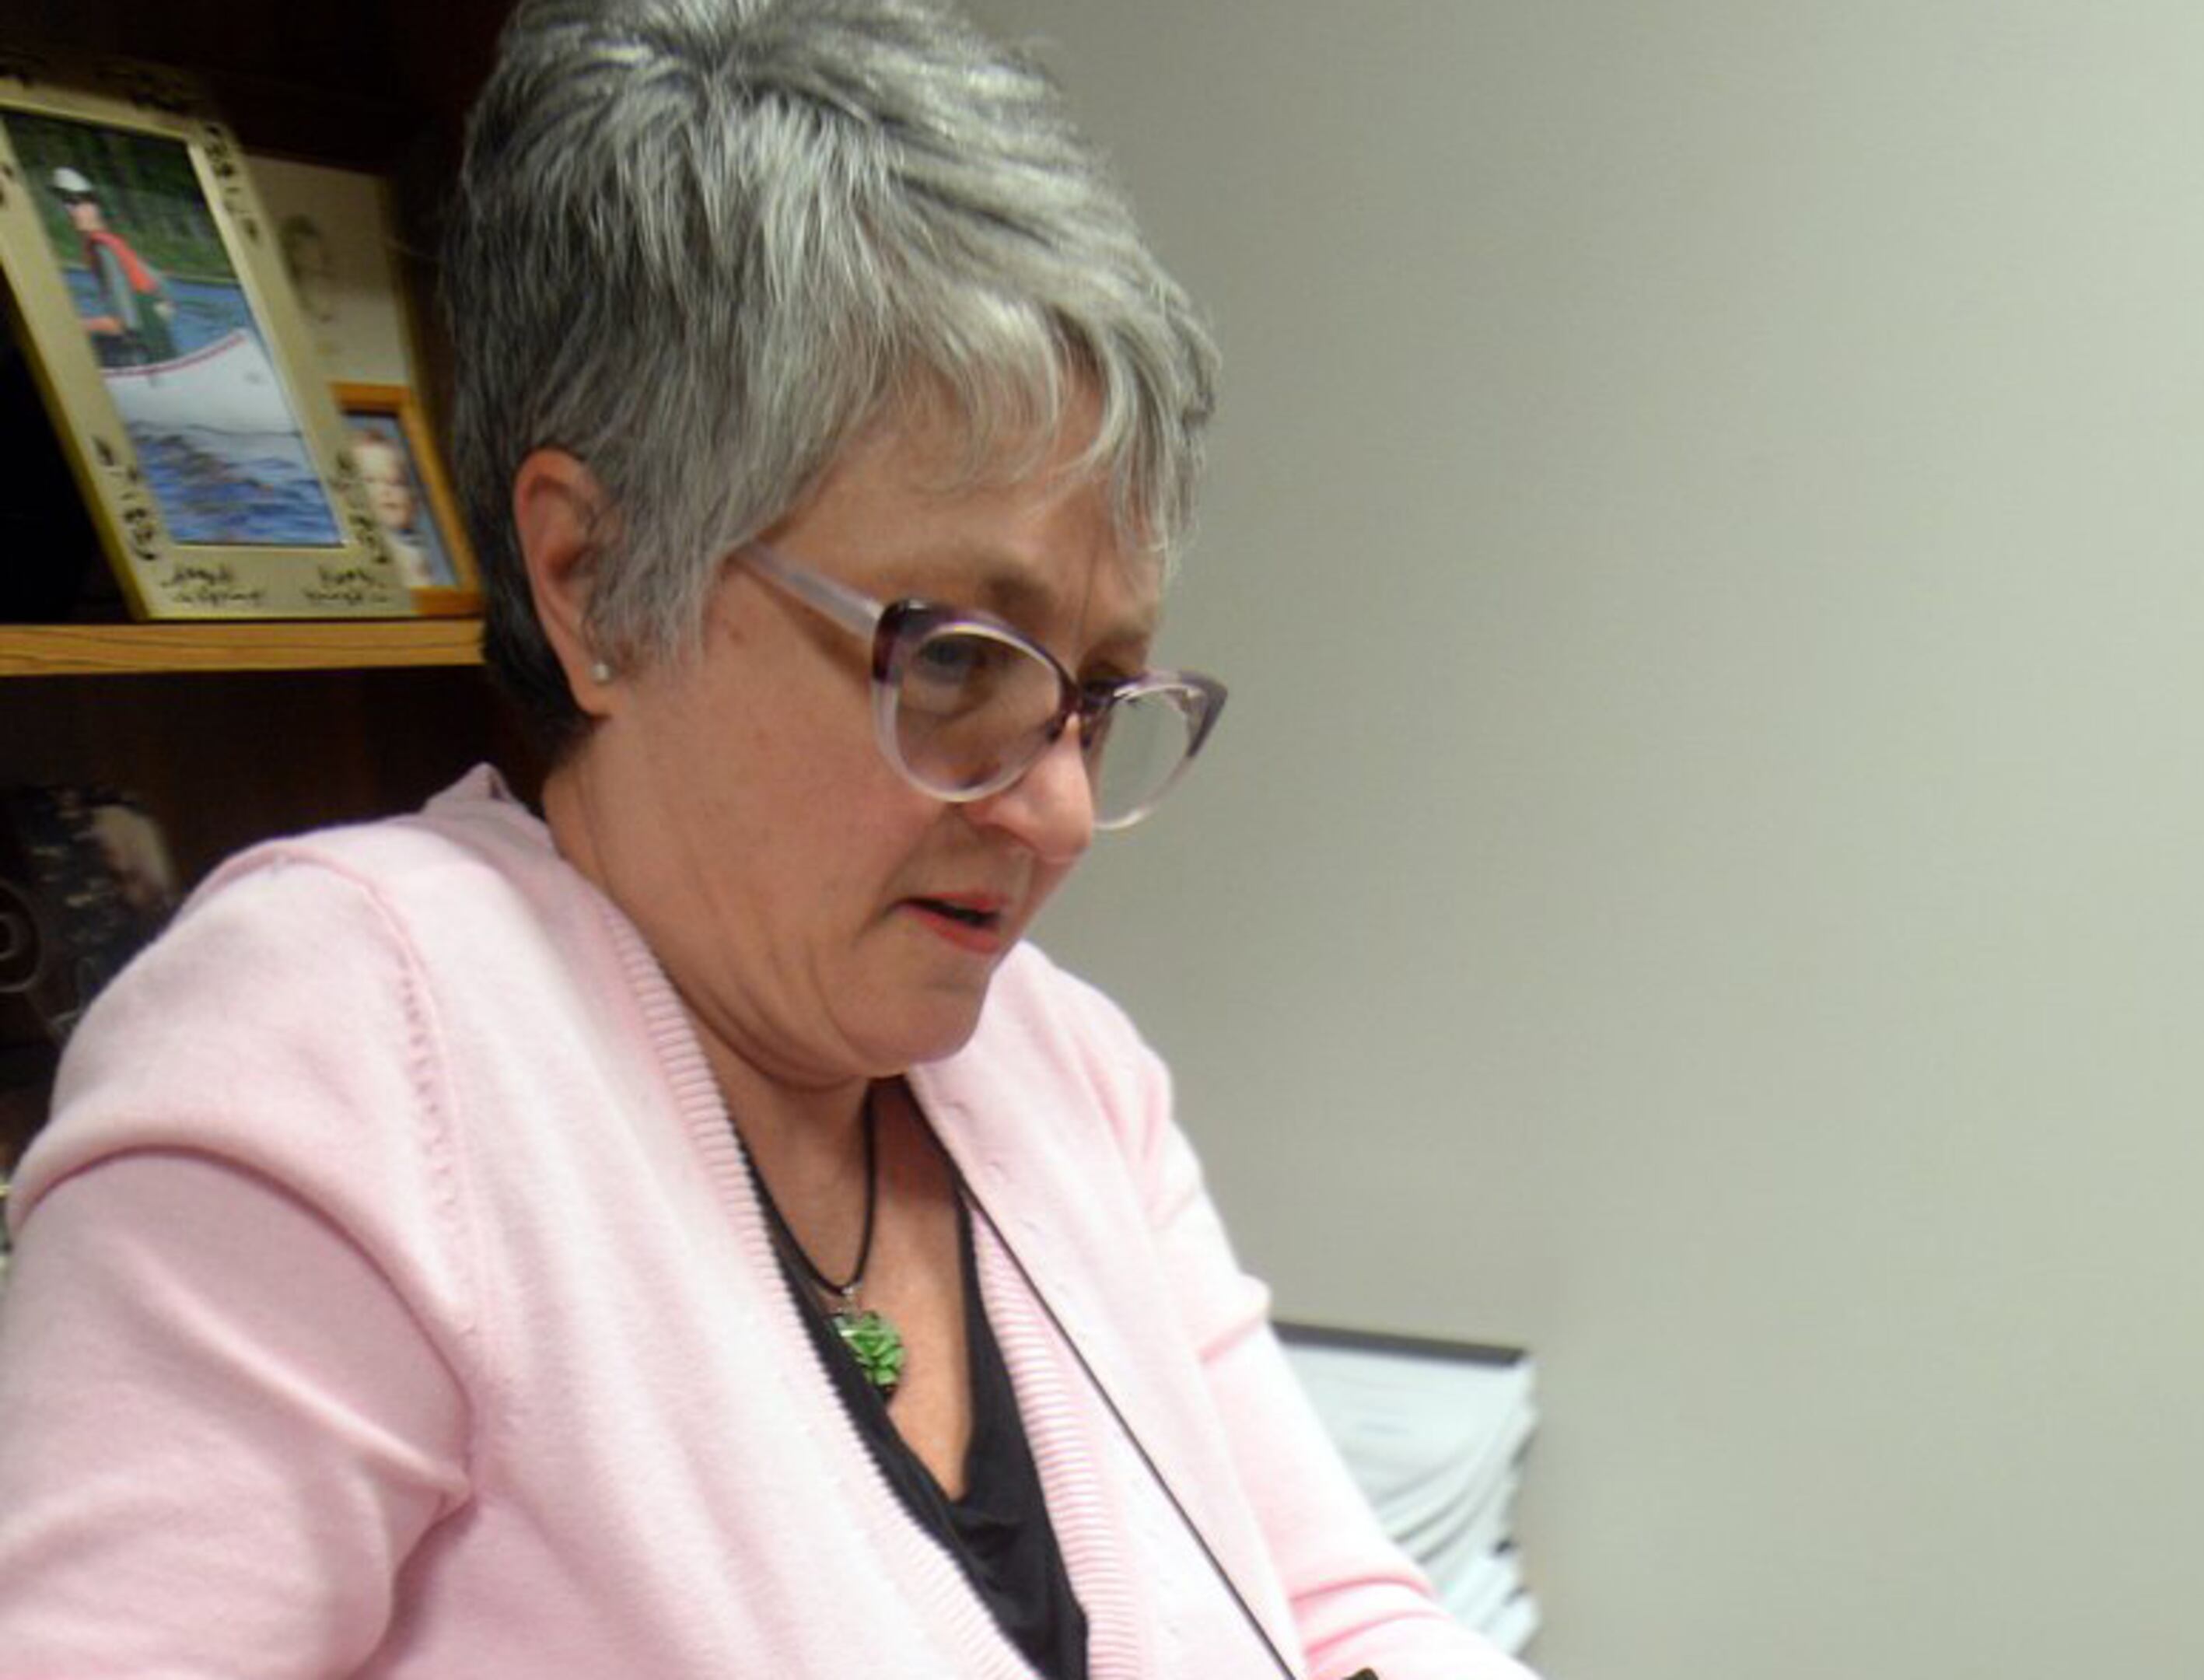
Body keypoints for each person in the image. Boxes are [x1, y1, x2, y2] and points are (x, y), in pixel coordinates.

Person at [0, 3, 1541, 1676]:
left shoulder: (1065, 1076)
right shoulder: (350, 1048)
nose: (1063, 811)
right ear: (594, 577)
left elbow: (1343, 1622)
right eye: (957, 662)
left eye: (1094, 698)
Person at [50, 166, 177, 368]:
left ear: (95, 207)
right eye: (67, 204)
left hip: (144, 348)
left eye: (77, 203)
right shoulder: (112, 242)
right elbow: (161, 283)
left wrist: (77, 327)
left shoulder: (103, 248)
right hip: (156, 340)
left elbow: (125, 323)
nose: (72, 211)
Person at [348, 422, 453, 588]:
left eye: (397, 482)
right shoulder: (370, 551)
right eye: (370, 481)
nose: (386, 491)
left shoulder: (427, 553)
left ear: (414, 499)